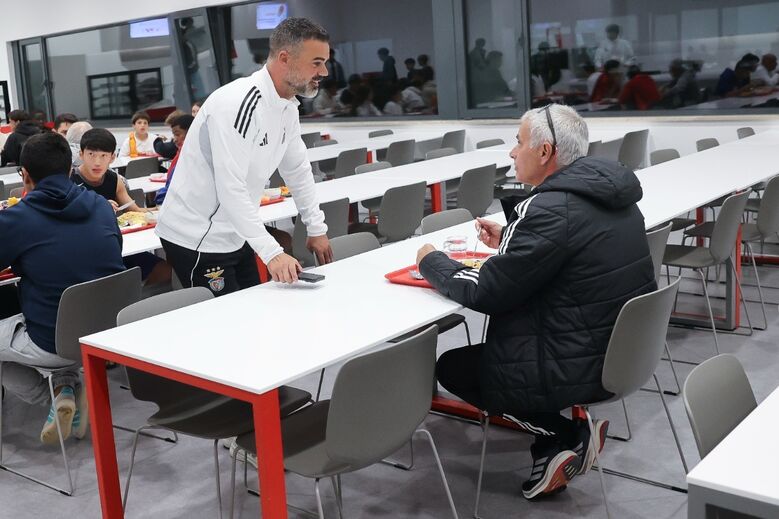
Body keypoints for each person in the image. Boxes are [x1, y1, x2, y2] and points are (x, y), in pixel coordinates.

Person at [415, 104, 655, 499]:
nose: (512, 152)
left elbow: (485, 292)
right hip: (619, 352)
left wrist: (431, 261)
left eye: (518, 142)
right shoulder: (616, 198)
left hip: (575, 362)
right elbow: (568, 244)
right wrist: (514, 236)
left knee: (454, 366)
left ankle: (564, 434)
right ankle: (556, 445)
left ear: (545, 153)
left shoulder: (547, 210)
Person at [156, 17, 333, 294]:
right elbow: (231, 188)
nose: (324, 71)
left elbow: (297, 169)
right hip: (198, 236)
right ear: (285, 58)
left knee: (255, 310)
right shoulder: (237, 104)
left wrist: (316, 227)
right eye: (316, 62)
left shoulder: (287, 105)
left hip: (237, 231)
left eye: (324, 62)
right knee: (225, 325)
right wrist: (272, 252)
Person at [0, 132, 124, 445]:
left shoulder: (18, 218)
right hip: (107, 335)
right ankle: (68, 388)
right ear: (71, 168)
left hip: (53, 341)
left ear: (24, 176)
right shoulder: (101, 207)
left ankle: (51, 397)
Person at [71, 128, 171, 287]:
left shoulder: (114, 179)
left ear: (112, 157)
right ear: (81, 154)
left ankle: (135, 303)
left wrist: (163, 209)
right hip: (85, 252)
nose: (97, 162)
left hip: (117, 247)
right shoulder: (70, 181)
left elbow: (135, 211)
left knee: (166, 270)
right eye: (91, 155)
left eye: (103, 156)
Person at [154, 114, 193, 206]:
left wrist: (160, 195)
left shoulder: (188, 159)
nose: (174, 140)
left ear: (191, 133)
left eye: (177, 134)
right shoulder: (181, 154)